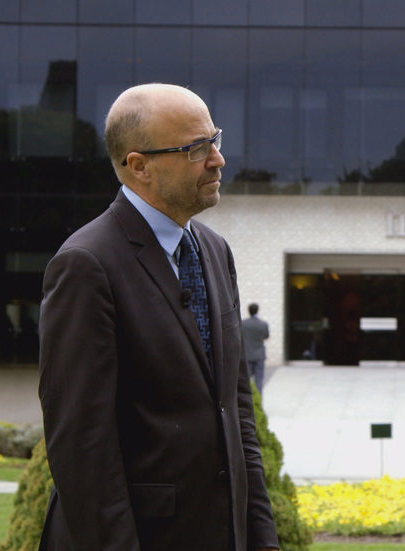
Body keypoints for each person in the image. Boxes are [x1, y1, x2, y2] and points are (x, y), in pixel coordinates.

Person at [38, 83, 279, 551]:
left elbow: (236, 411)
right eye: (195, 148)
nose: (217, 160)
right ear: (138, 166)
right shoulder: (85, 265)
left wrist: (262, 538)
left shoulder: (213, 250)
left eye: (215, 140)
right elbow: (82, 448)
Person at [243, 303, 269, 392]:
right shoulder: (263, 324)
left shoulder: (243, 323)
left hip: (247, 354)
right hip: (259, 355)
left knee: (246, 381)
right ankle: (258, 402)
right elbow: (266, 336)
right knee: (259, 381)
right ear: (257, 311)